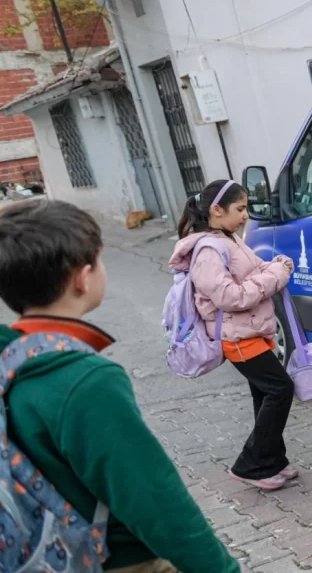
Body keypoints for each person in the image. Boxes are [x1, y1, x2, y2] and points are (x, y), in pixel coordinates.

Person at [0, 199, 240, 572]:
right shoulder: (84, 381)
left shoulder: (10, 360)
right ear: (83, 277)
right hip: (116, 559)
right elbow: (153, 499)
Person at [169, 180, 296, 491]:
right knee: (280, 389)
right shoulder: (209, 251)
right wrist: (276, 275)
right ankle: (250, 464)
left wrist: (275, 265)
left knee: (264, 393)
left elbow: (253, 270)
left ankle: (272, 462)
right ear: (216, 210)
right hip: (236, 337)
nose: (245, 216)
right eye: (240, 209)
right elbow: (231, 297)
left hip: (250, 331)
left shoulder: (228, 239)